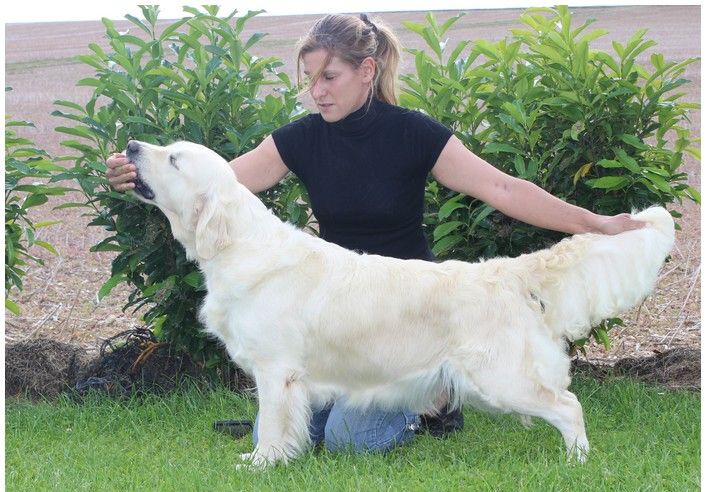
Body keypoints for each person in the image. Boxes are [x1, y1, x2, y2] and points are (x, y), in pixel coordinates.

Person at [106, 13, 644, 455]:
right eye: (310, 79)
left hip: (411, 315)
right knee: (307, 427)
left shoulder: (414, 133)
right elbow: (215, 183)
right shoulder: (301, 138)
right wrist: (142, 176)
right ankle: (373, 406)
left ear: (367, 70)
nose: (316, 92)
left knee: (350, 441)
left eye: (329, 77)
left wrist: (595, 223)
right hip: (337, 320)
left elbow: (503, 188)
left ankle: (430, 398)